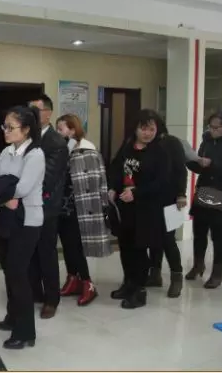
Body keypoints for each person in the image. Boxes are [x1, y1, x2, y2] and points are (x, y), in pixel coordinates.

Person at [0, 106, 45, 350]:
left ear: (26, 130)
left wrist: (3, 190)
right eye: (4, 126)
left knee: (18, 273)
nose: (5, 131)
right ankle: (12, 316)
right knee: (8, 269)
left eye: (10, 127)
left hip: (27, 221)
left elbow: (22, 188)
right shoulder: (6, 152)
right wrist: (5, 196)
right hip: (6, 218)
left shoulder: (35, 155)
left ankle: (25, 332)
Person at [107, 109, 171, 309]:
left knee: (139, 251)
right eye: (143, 129)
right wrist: (113, 187)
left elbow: (161, 182)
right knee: (125, 248)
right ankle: (128, 284)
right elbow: (116, 168)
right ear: (135, 129)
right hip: (125, 208)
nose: (147, 133)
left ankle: (139, 291)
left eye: (151, 129)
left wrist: (136, 192)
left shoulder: (160, 152)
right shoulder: (127, 147)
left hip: (146, 210)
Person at [55, 114, 112, 306]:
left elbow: (98, 181)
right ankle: (73, 278)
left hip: (80, 207)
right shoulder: (63, 150)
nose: (58, 132)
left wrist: (102, 204)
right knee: (67, 245)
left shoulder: (88, 151)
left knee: (76, 246)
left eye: (61, 129)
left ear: (72, 130)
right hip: (61, 205)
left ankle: (87, 282)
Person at [28, 94, 68, 319]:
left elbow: (48, 177)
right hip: (27, 205)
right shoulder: (27, 137)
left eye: (36, 111)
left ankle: (52, 299)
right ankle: (35, 292)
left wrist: (22, 186)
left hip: (46, 206)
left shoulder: (56, 142)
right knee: (30, 252)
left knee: (46, 253)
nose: (32, 115)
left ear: (48, 113)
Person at [145, 122, 187, 297]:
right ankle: (155, 274)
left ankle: (177, 277)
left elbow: (181, 170)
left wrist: (181, 194)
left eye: (150, 128)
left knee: (168, 239)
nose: (147, 132)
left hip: (170, 198)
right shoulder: (145, 144)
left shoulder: (172, 142)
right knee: (154, 237)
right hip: (150, 198)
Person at [186, 111, 222, 289]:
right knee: (199, 231)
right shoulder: (207, 141)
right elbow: (200, 168)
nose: (212, 130)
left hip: (221, 192)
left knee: (219, 235)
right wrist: (192, 161)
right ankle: (198, 265)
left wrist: (213, 164)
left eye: (216, 128)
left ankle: (217, 272)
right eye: (210, 127)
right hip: (204, 190)